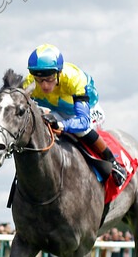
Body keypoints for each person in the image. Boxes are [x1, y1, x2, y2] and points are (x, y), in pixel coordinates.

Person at [24, 43, 127, 186]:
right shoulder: (29, 83)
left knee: (81, 131)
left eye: (50, 78)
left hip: (88, 111)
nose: (45, 85)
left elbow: (83, 121)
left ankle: (113, 162)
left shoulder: (75, 79)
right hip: (57, 111)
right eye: (39, 79)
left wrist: (61, 125)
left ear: (59, 73)